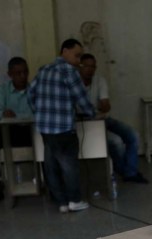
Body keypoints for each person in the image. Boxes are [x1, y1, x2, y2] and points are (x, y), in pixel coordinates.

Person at [27, 38, 96, 213]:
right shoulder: (69, 72)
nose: (79, 60)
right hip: (63, 128)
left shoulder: (44, 70)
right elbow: (81, 98)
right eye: (77, 55)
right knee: (69, 166)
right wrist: (92, 113)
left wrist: (40, 113)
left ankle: (61, 202)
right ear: (64, 51)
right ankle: (74, 200)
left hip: (45, 128)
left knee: (50, 164)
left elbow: (30, 94)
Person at [79, 53, 148, 183]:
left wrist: (100, 106)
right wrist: (98, 105)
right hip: (86, 124)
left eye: (93, 66)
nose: (90, 69)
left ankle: (130, 172)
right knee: (116, 142)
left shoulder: (100, 81)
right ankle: (126, 172)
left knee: (133, 135)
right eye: (86, 66)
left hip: (102, 119)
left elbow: (106, 106)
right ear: (80, 67)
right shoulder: (74, 83)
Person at [0, 57, 33, 206]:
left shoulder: (34, 89)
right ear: (10, 74)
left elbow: (39, 112)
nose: (22, 76)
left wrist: (17, 116)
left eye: (25, 72)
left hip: (31, 130)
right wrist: (3, 114)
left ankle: (52, 184)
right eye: (18, 73)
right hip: (8, 130)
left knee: (49, 138)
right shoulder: (2, 91)